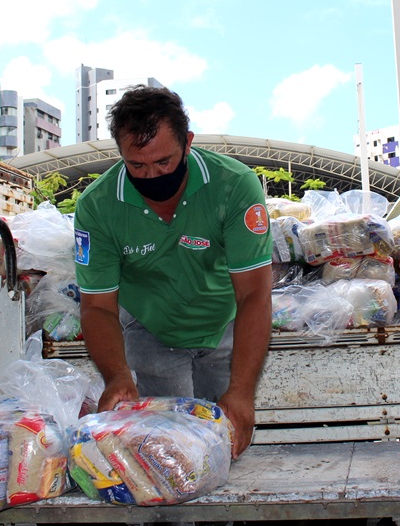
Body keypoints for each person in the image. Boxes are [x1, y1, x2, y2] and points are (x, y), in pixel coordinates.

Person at [73, 85, 272, 459]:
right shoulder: (97, 207)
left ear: (188, 143)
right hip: (151, 330)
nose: (152, 176)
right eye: (137, 166)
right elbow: (98, 306)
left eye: (164, 162)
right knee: (168, 451)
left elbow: (254, 293)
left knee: (225, 444)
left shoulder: (233, 186)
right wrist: (117, 376)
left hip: (224, 326)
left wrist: (242, 391)